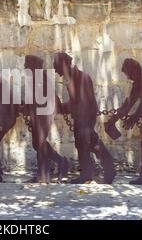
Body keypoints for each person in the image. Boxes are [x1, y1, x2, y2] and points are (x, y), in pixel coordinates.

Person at [53, 52, 116, 184]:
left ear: (63, 64)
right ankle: (105, 169)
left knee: (85, 144)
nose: (54, 67)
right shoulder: (73, 77)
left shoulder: (80, 77)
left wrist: (63, 107)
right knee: (89, 143)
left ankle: (90, 173)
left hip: (85, 116)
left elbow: (81, 101)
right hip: (81, 116)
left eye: (56, 64)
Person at [23, 55, 68, 183]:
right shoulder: (35, 78)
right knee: (38, 144)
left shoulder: (40, 78)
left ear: (33, 66)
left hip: (44, 115)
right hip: (40, 114)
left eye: (27, 64)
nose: (25, 67)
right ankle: (60, 162)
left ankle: (43, 175)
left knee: (40, 143)